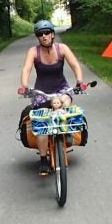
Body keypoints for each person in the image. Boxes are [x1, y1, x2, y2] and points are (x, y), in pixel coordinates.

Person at [18, 20, 85, 176]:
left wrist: (79, 81)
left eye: (47, 33)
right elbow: (26, 69)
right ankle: (43, 160)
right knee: (42, 124)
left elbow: (75, 65)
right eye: (40, 34)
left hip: (61, 88)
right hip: (41, 92)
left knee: (65, 103)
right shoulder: (33, 52)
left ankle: (67, 133)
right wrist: (24, 86)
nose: (44, 36)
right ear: (37, 37)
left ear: (52, 34)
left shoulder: (62, 49)